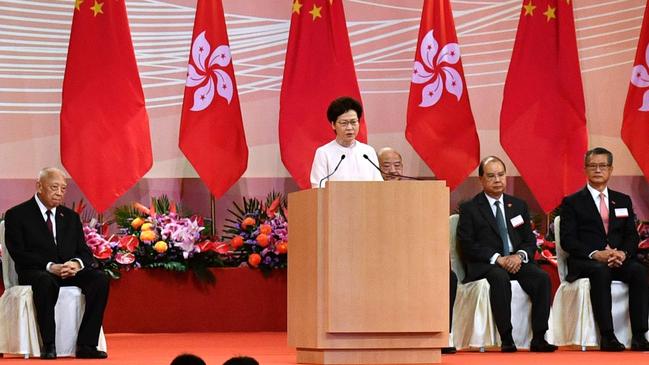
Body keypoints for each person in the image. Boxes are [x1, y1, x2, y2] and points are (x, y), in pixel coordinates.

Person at [4, 167, 110, 359]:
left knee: (99, 280)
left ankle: (87, 344)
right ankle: (49, 344)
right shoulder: (17, 215)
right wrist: (50, 266)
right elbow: (19, 253)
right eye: (54, 187)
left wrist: (76, 264)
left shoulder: (70, 217)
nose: (59, 192)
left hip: (68, 271)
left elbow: (84, 252)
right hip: (37, 271)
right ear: (39, 186)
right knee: (45, 282)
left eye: (63, 189)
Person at [457, 156, 556, 353]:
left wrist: (519, 256)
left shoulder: (517, 205)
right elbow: (467, 244)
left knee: (542, 278)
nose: (497, 180)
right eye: (491, 176)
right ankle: (507, 338)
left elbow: (529, 240)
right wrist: (498, 258)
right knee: (499, 277)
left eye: (501, 175)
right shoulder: (470, 208)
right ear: (481, 180)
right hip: (488, 264)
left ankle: (538, 337)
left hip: (515, 261)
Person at [560, 147, 649, 351]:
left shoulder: (623, 200)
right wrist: (595, 254)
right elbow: (568, 239)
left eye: (603, 166)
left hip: (617, 258)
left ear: (610, 170)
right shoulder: (572, 202)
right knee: (600, 271)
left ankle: (639, 335)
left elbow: (631, 235)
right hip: (586, 260)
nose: (598, 170)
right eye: (593, 166)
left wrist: (622, 253)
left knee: (639, 271)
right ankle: (607, 335)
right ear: (585, 170)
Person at [378, 147, 457, 353]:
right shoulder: (370, 195)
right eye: (386, 166)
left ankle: (442, 335)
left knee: (448, 278)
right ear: (376, 168)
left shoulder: (416, 194)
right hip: (381, 261)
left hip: (414, 258)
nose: (393, 170)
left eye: (397, 165)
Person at [309, 96, 383, 188]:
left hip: (366, 201)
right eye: (344, 123)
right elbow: (318, 187)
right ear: (333, 125)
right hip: (335, 202)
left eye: (353, 122)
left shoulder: (368, 152)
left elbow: (378, 185)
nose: (349, 128)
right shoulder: (324, 153)